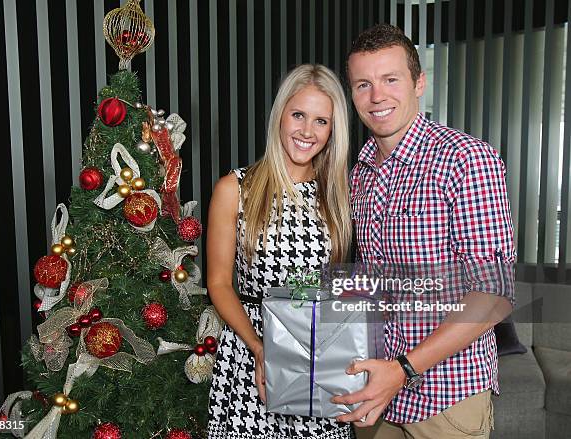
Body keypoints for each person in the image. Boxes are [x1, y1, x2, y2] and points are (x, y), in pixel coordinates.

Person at [331, 24, 516, 439]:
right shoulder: (359, 173)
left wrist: (405, 369)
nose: (377, 96)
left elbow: (493, 297)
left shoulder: (465, 159)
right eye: (363, 84)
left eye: (390, 79)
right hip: (374, 392)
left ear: (419, 82)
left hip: (445, 397)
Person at [206, 64, 354, 439]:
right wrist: (260, 350)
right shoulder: (235, 188)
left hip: (317, 356)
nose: (307, 131)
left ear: (333, 130)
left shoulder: (336, 197)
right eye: (299, 115)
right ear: (280, 116)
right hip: (251, 350)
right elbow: (219, 284)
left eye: (321, 121)